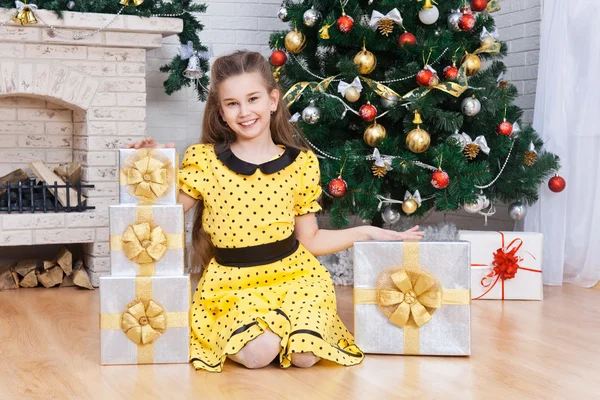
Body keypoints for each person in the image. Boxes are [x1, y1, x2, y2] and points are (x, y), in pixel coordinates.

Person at [128, 51, 424, 372]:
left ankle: (287, 330)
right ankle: (267, 334)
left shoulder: (301, 163)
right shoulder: (204, 160)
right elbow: (163, 217)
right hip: (232, 286)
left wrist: (367, 232)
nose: (244, 112)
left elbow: (309, 240)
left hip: (296, 279)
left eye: (253, 99)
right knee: (260, 354)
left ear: (272, 100)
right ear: (220, 112)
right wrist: (152, 167)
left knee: (306, 356)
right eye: (232, 104)